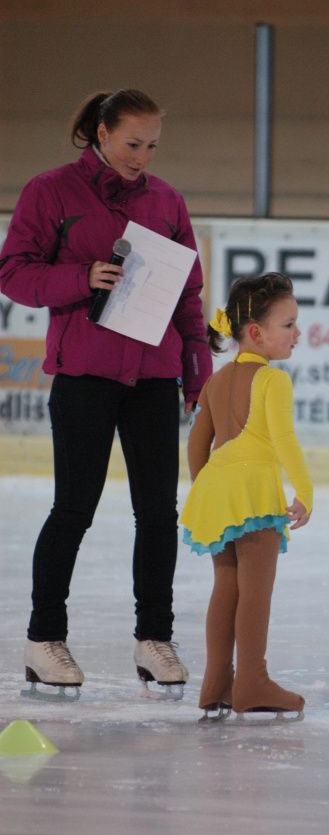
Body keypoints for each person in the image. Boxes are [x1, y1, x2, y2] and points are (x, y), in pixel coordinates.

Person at [0, 89, 212, 699]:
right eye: (131, 143)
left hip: (152, 377)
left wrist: (196, 373)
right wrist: (80, 278)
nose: (142, 156)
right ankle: (44, 640)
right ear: (101, 131)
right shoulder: (52, 192)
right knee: (74, 509)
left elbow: (188, 296)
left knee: (158, 513)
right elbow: (13, 272)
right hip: (85, 376)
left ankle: (154, 639)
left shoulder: (167, 201)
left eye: (151, 146)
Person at [180, 272, 313, 719]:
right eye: (289, 325)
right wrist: (306, 491)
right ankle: (252, 682)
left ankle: (216, 684)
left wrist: (210, 489)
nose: (298, 334)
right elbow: (285, 441)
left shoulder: (216, 381)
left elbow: (197, 444)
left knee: (227, 586)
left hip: (218, 494)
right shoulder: (273, 381)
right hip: (255, 495)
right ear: (256, 332)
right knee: (256, 591)